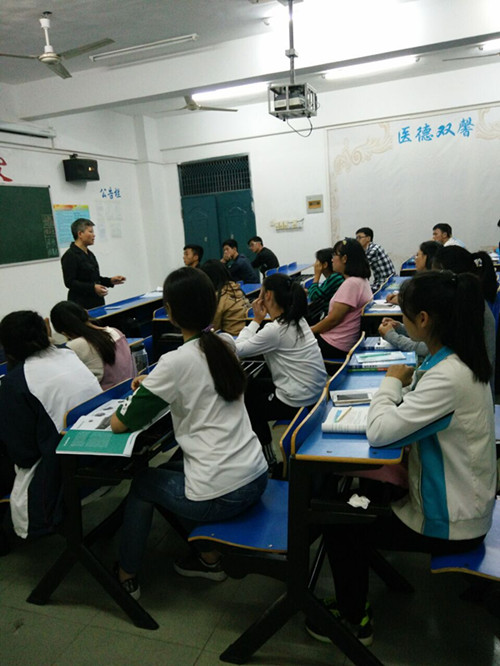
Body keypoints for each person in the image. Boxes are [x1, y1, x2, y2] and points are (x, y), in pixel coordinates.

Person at [307, 271, 496, 646]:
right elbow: (412, 411)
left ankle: (353, 620)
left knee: (341, 520)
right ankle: (358, 594)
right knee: (359, 497)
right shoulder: (457, 360)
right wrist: (400, 390)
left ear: (423, 319)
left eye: (405, 314)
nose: (401, 320)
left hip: (453, 522)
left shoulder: (448, 377)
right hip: (462, 503)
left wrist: (391, 382)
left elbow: (380, 431)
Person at [111, 267, 267, 599]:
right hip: (256, 474)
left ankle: (126, 575)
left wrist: (149, 386)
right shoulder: (224, 344)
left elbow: (120, 423)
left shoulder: (174, 362)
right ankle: (208, 557)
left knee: (143, 483)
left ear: (169, 311)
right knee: (169, 469)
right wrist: (154, 383)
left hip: (225, 493)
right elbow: (197, 380)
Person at [0, 311, 101, 539]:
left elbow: (24, 455)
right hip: (96, 454)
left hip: (60, 475)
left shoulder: (16, 382)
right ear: (45, 331)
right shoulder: (66, 354)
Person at [235, 273, 327, 467]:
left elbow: (237, 350)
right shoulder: (298, 320)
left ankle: (268, 459)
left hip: (298, 398)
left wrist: (256, 320)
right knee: (250, 385)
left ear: (267, 295)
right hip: (315, 393)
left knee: (251, 405)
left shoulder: (275, 330)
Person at [50, 301, 135, 390]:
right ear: (86, 314)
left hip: (105, 396)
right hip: (131, 388)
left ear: (64, 332)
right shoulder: (115, 331)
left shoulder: (75, 346)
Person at [311, 239, 372, 360]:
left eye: (334, 255)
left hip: (335, 344)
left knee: (291, 344)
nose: (332, 259)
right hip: (343, 341)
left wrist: (310, 330)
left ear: (344, 259)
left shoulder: (351, 284)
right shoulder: (361, 280)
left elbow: (333, 320)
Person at [379, 240, 441, 358]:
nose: (414, 259)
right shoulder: (434, 285)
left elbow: (425, 348)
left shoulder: (433, 291)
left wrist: (392, 336)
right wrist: (400, 328)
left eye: (418, 255)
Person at [60, 218, 126, 309]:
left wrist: (110, 281)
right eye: (90, 232)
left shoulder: (89, 254)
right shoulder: (70, 255)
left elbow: (93, 278)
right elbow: (70, 282)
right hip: (81, 305)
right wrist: (92, 288)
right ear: (80, 234)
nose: (94, 235)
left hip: (96, 301)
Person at [200, 260, 249, 335]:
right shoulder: (234, 288)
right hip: (243, 334)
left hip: (230, 337)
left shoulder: (219, 297)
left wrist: (202, 331)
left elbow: (213, 326)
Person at [307, 247, 345, 319]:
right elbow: (320, 290)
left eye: (317, 261)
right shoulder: (334, 277)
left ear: (325, 265)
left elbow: (314, 296)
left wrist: (317, 275)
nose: (315, 264)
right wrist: (308, 291)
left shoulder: (335, 278)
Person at [355, 227, 394, 292]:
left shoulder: (373, 249)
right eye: (356, 238)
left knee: (360, 292)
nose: (357, 240)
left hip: (385, 283)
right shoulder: (367, 249)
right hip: (382, 281)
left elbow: (360, 268)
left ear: (368, 238)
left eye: (359, 237)